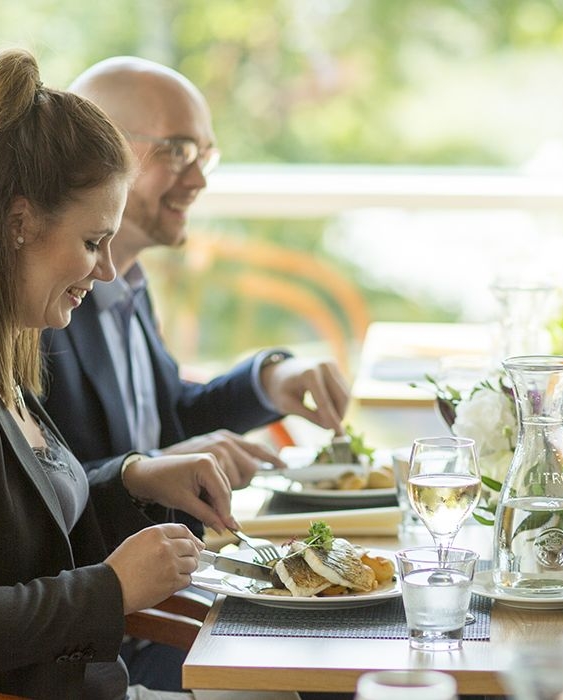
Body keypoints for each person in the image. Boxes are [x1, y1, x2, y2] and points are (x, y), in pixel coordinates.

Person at [0, 48, 237, 699]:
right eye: (90, 243)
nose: (106, 271)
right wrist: (110, 589)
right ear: (18, 223)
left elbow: (20, 532)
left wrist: (133, 478)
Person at [37, 57, 350, 690]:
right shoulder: (44, 310)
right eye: (179, 151)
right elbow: (47, 496)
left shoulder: (125, 284)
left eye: (207, 154)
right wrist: (146, 469)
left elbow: (166, 416)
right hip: (119, 629)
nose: (200, 178)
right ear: (104, 150)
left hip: (163, 597)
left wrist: (267, 382)